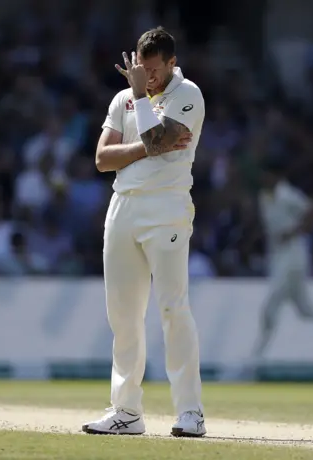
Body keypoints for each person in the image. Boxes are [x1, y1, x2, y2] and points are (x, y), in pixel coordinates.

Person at [81, 27, 206, 437]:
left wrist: (141, 105)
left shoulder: (187, 94)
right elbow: (102, 158)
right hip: (123, 206)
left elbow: (155, 134)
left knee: (172, 307)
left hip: (166, 207)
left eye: (154, 70)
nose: (147, 77)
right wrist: (145, 145)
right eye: (142, 68)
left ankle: (190, 412)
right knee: (123, 314)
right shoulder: (124, 98)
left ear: (171, 63)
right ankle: (126, 412)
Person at [250, 158, 313, 362]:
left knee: (271, 302)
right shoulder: (264, 197)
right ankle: (257, 355)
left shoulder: (288, 194)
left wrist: (293, 232)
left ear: (277, 176)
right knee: (306, 310)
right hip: (276, 255)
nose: (264, 178)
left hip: (294, 255)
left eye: (268, 174)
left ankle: (256, 356)